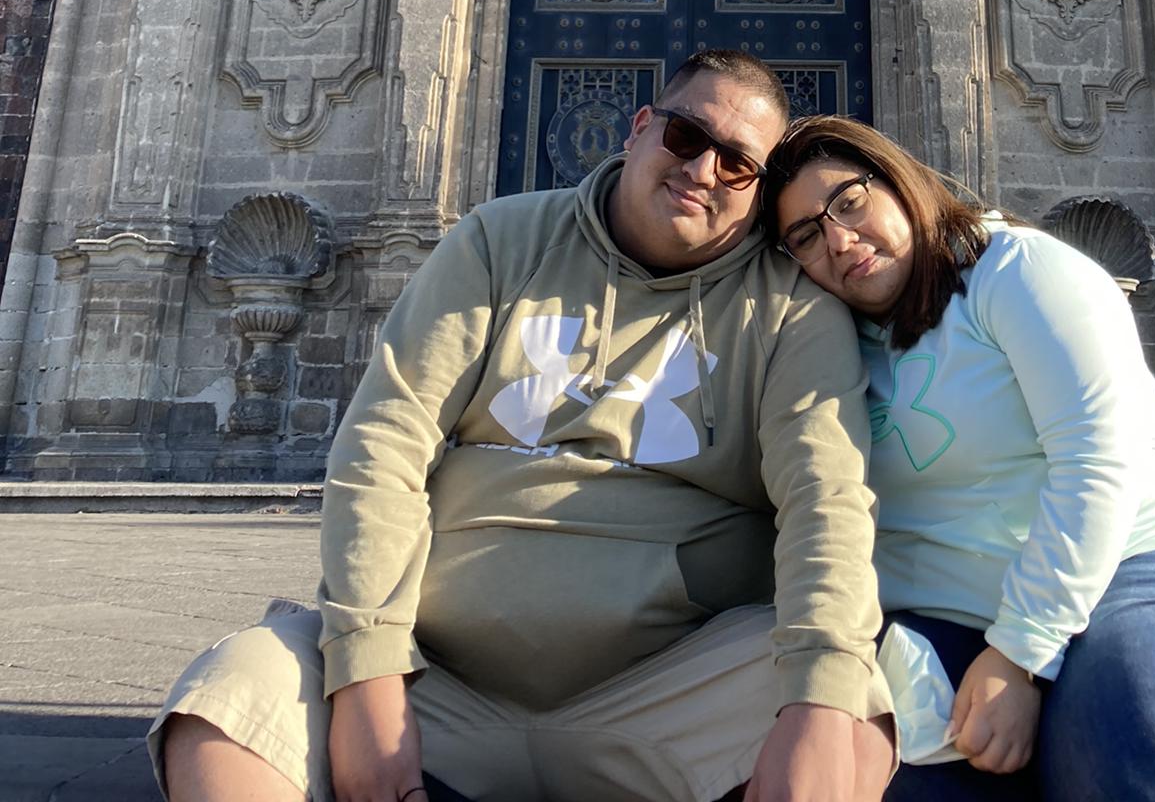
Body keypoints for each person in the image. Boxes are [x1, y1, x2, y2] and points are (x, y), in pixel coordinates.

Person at [153, 52, 894, 802]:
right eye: (685, 136)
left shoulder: (791, 307)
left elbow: (825, 501)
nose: (702, 170)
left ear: (758, 189)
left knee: (851, 720)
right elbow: (385, 443)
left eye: (737, 164)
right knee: (228, 700)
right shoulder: (499, 241)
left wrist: (818, 702)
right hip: (432, 678)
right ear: (640, 128)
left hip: (672, 686)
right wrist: (367, 674)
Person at [769, 115, 1155, 801]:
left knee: (1144, 759)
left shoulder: (1014, 270)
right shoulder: (823, 343)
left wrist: (1020, 654)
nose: (839, 240)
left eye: (850, 202)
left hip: (1141, 566)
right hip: (949, 618)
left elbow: (1098, 457)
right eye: (806, 236)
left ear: (899, 183)